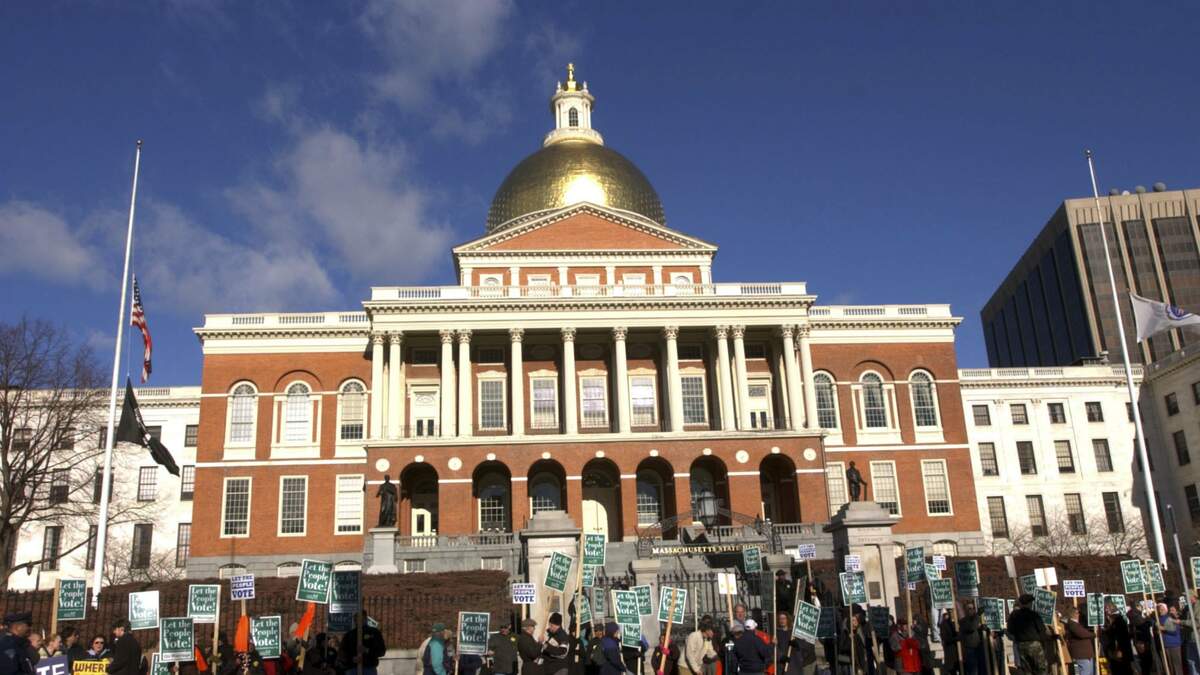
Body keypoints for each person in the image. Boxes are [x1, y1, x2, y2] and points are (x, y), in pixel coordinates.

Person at [1006, 595, 1048, 675]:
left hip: (1021, 645)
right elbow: (1042, 630)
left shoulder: (1014, 615)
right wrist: (1044, 643)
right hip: (1034, 644)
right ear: (1029, 603)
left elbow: (1010, 631)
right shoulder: (1034, 615)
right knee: (1041, 668)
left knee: (1026, 670)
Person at [1102, 603, 1133, 675]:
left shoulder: (1118, 620)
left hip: (1120, 650)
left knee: (1123, 669)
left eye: (1106, 609)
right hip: (1115, 650)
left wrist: (1119, 649)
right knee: (1117, 668)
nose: (1105, 611)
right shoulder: (1113, 620)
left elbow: (1121, 636)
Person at [1062, 607, 1095, 675]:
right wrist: (1094, 634)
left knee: (1080, 672)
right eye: (1077, 613)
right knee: (1084, 672)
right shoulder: (1072, 624)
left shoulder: (1075, 624)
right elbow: (1082, 633)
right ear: (1073, 614)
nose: (1079, 615)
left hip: (1083, 656)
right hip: (1081, 656)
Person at [0, 611, 34, 675]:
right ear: (18, 627)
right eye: (28, 625)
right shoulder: (7, 646)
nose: (30, 628)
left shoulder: (19, 644)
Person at [959, 602, 984, 675]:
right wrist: (978, 615)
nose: (972, 610)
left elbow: (976, 628)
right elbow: (972, 627)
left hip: (978, 647)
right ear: (965, 610)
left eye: (973, 608)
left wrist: (983, 628)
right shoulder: (963, 621)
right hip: (970, 650)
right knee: (973, 671)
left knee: (981, 669)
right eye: (970, 608)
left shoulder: (975, 619)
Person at [1161, 603, 1185, 675]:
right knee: (1171, 666)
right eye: (1160, 610)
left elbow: (1174, 631)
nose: (1160, 611)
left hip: (1174, 644)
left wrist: (1163, 628)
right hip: (1167, 644)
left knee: (1177, 666)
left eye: (1162, 609)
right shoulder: (1161, 618)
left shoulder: (1171, 618)